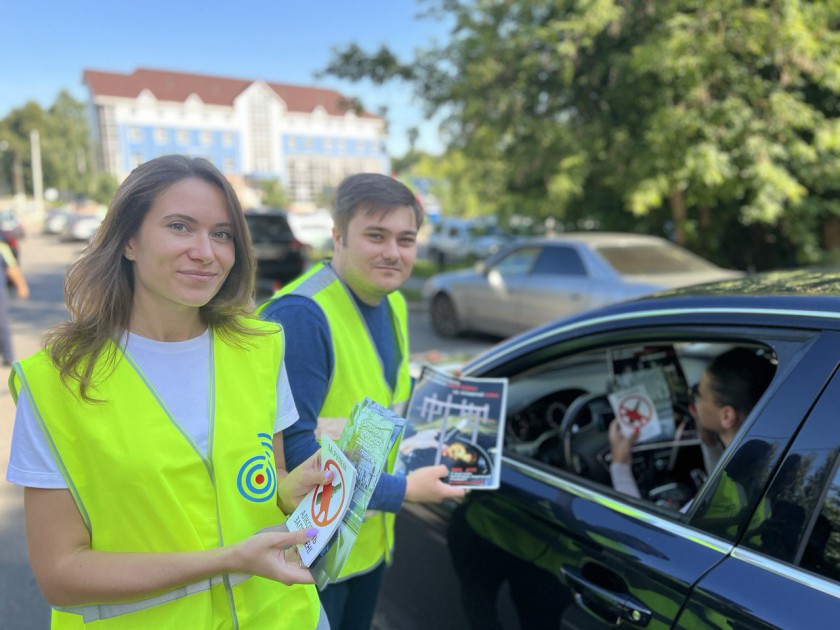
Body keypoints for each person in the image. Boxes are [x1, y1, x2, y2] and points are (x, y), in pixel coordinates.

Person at [5, 155, 331, 629]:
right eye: (180, 227)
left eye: (222, 234)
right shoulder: (57, 380)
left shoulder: (260, 347)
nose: (206, 252)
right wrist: (227, 559)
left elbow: (267, 474)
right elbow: (61, 573)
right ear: (130, 241)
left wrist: (289, 489)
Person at [259, 172, 465, 630]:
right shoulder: (301, 315)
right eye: (376, 235)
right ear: (337, 236)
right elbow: (293, 456)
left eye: (406, 239)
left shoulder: (390, 302)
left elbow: (389, 410)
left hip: (365, 545)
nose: (393, 251)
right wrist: (407, 492)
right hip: (306, 559)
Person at [609, 347, 776, 501]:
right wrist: (709, 442)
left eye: (697, 392)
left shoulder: (733, 499)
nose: (693, 400)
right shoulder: (764, 464)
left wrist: (619, 464)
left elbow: (644, 529)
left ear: (726, 416)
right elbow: (720, 485)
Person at [0, 233, 30, 365]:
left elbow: (12, 267)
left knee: (2, 324)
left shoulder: (2, 247)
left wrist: (21, 285)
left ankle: (8, 357)